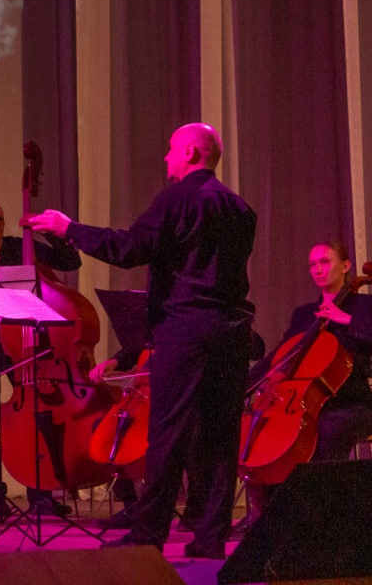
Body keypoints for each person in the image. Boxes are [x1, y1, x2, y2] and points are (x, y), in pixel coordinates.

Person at [30, 122, 256, 559]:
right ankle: (211, 538)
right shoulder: (240, 208)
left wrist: (68, 228)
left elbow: (129, 249)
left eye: (171, 150)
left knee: (168, 431)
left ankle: (149, 532)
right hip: (232, 333)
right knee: (221, 436)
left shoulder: (177, 198)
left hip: (186, 329)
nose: (166, 158)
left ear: (190, 152)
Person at [0, 200, 81, 519]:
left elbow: (71, 261)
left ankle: (40, 496)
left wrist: (47, 231)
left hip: (28, 347)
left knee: (37, 419)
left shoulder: (22, 247)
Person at [236, 240, 372, 529]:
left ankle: (322, 520)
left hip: (351, 404)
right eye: (312, 264)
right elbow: (282, 354)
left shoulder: (364, 307)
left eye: (325, 261)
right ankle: (269, 517)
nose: (317, 269)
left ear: (345, 266)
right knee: (262, 433)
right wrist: (246, 385)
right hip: (303, 404)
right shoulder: (304, 314)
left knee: (327, 431)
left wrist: (345, 319)